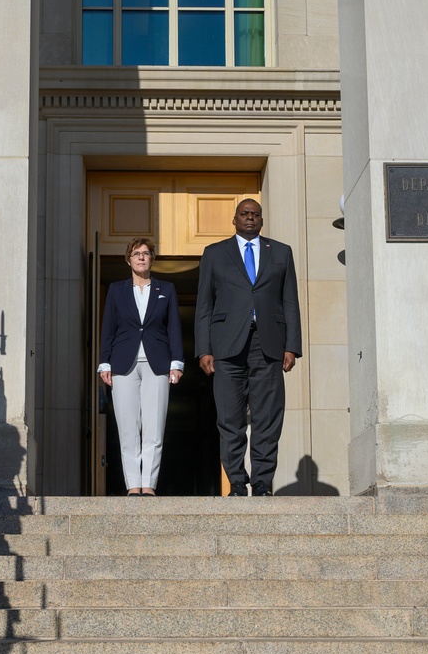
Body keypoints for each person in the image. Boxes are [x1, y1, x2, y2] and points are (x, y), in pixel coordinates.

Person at [195, 198, 302, 497]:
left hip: (268, 346)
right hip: (226, 348)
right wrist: (204, 349)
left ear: (262, 220)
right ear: (234, 219)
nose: (250, 219)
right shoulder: (215, 254)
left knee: (267, 418)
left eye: (255, 214)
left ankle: (263, 482)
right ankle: (238, 482)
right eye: (244, 214)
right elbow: (204, 304)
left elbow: (290, 302)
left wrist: (292, 345)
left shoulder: (280, 252)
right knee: (230, 419)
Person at [98, 237, 183, 496]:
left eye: (146, 253)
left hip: (157, 364)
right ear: (128, 259)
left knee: (154, 428)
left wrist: (176, 362)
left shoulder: (166, 289)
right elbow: (108, 328)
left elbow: (174, 329)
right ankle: (133, 485)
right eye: (136, 253)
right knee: (128, 427)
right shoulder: (116, 290)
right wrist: (104, 363)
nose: (141, 257)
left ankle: (149, 485)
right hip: (123, 364)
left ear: (152, 259)